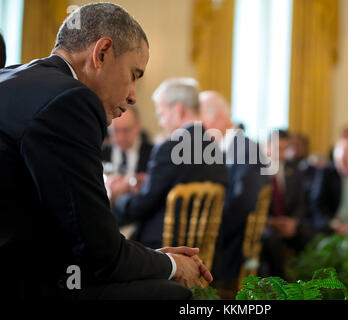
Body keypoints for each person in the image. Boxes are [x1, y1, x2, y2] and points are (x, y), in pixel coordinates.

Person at [0, 3, 211, 299]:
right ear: (101, 53)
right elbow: (98, 253)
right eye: (134, 75)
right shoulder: (70, 100)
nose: (133, 96)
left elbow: (79, 236)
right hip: (26, 281)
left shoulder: (12, 78)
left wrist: (151, 259)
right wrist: (171, 264)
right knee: (173, 294)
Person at [113, 79, 228, 249]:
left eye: (161, 114)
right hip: (202, 249)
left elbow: (141, 206)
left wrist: (118, 198)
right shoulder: (215, 149)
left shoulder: (170, 149)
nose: (161, 122)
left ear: (178, 110)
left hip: (163, 248)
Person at [199, 91, 269, 287]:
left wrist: (210, 230)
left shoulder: (247, 150)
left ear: (220, 118)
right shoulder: (220, 150)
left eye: (201, 121)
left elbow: (244, 203)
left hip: (230, 249)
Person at [260, 130, 314, 278]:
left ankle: (306, 282)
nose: (282, 154)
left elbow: (301, 204)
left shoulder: (294, 169)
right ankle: (281, 284)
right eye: (278, 149)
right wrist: (271, 222)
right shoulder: (257, 170)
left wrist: (293, 222)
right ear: (268, 147)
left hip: (288, 224)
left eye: (286, 149)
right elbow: (252, 207)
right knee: (272, 241)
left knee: (309, 236)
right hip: (265, 226)